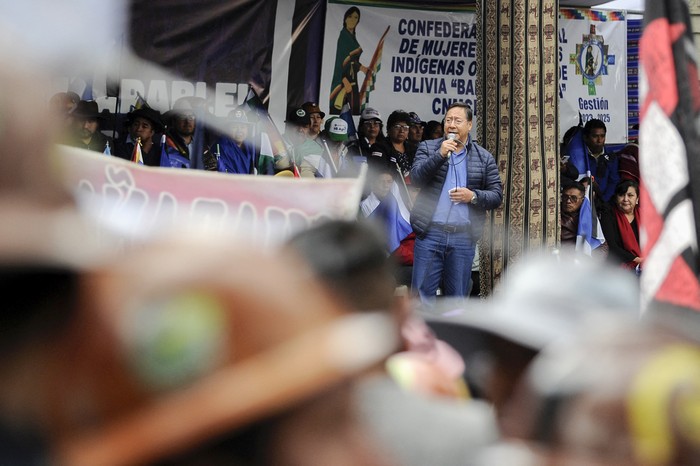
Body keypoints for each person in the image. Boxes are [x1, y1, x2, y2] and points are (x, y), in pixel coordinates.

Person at [410, 102, 503, 304]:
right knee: (421, 297)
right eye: (448, 120)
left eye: (457, 120)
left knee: (457, 299)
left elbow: (496, 195)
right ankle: (419, 335)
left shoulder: (483, 157)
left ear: (469, 125)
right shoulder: (428, 147)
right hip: (430, 233)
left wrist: (473, 196)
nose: (451, 124)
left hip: (463, 237)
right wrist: (440, 155)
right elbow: (416, 178)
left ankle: (451, 335)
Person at [328, 6, 370, 115]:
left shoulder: (352, 37)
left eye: (355, 17)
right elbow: (340, 63)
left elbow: (352, 61)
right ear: (345, 19)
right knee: (340, 110)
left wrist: (362, 68)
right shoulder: (343, 37)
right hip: (344, 80)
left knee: (355, 110)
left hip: (353, 78)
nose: (352, 20)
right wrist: (344, 80)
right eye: (350, 16)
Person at [600, 179, 643, 272]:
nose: (625, 199)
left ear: (637, 199)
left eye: (630, 195)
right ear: (616, 198)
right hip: (618, 267)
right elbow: (612, 246)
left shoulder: (644, 215)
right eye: (621, 195)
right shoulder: (608, 215)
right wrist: (637, 259)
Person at [369, 110, 416, 184]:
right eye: (397, 127)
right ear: (388, 129)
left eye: (405, 127)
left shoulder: (413, 149)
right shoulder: (379, 148)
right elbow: (380, 172)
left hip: (411, 191)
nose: (402, 131)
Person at [160, 98, 206, 169]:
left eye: (191, 117)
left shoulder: (202, 146)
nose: (187, 121)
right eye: (182, 116)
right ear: (174, 121)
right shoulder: (165, 144)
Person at [582, 118, 620, 202]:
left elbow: (613, 181)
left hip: (605, 202)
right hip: (583, 201)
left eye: (602, 136)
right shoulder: (580, 156)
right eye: (595, 136)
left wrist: (603, 201)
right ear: (586, 137)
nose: (599, 140)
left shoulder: (611, 156)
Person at [213, 108, 258, 175]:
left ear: (247, 129)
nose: (239, 131)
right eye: (234, 127)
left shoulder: (251, 147)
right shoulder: (220, 147)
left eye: (243, 127)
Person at [560, 181, 586, 247]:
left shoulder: (588, 216)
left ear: (582, 200)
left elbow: (601, 245)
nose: (568, 201)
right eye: (565, 197)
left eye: (573, 198)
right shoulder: (554, 215)